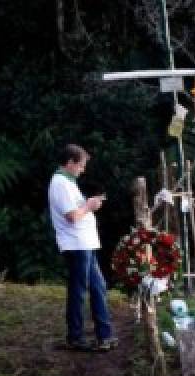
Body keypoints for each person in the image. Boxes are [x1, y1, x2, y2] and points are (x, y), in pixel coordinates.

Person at [48, 143, 116, 351]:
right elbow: (72, 216)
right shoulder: (60, 183)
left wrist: (89, 204)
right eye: (81, 165)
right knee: (79, 290)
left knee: (98, 287)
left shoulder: (67, 182)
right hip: (76, 244)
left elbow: (77, 210)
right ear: (70, 163)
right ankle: (75, 337)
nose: (83, 169)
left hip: (84, 242)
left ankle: (104, 336)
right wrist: (89, 205)